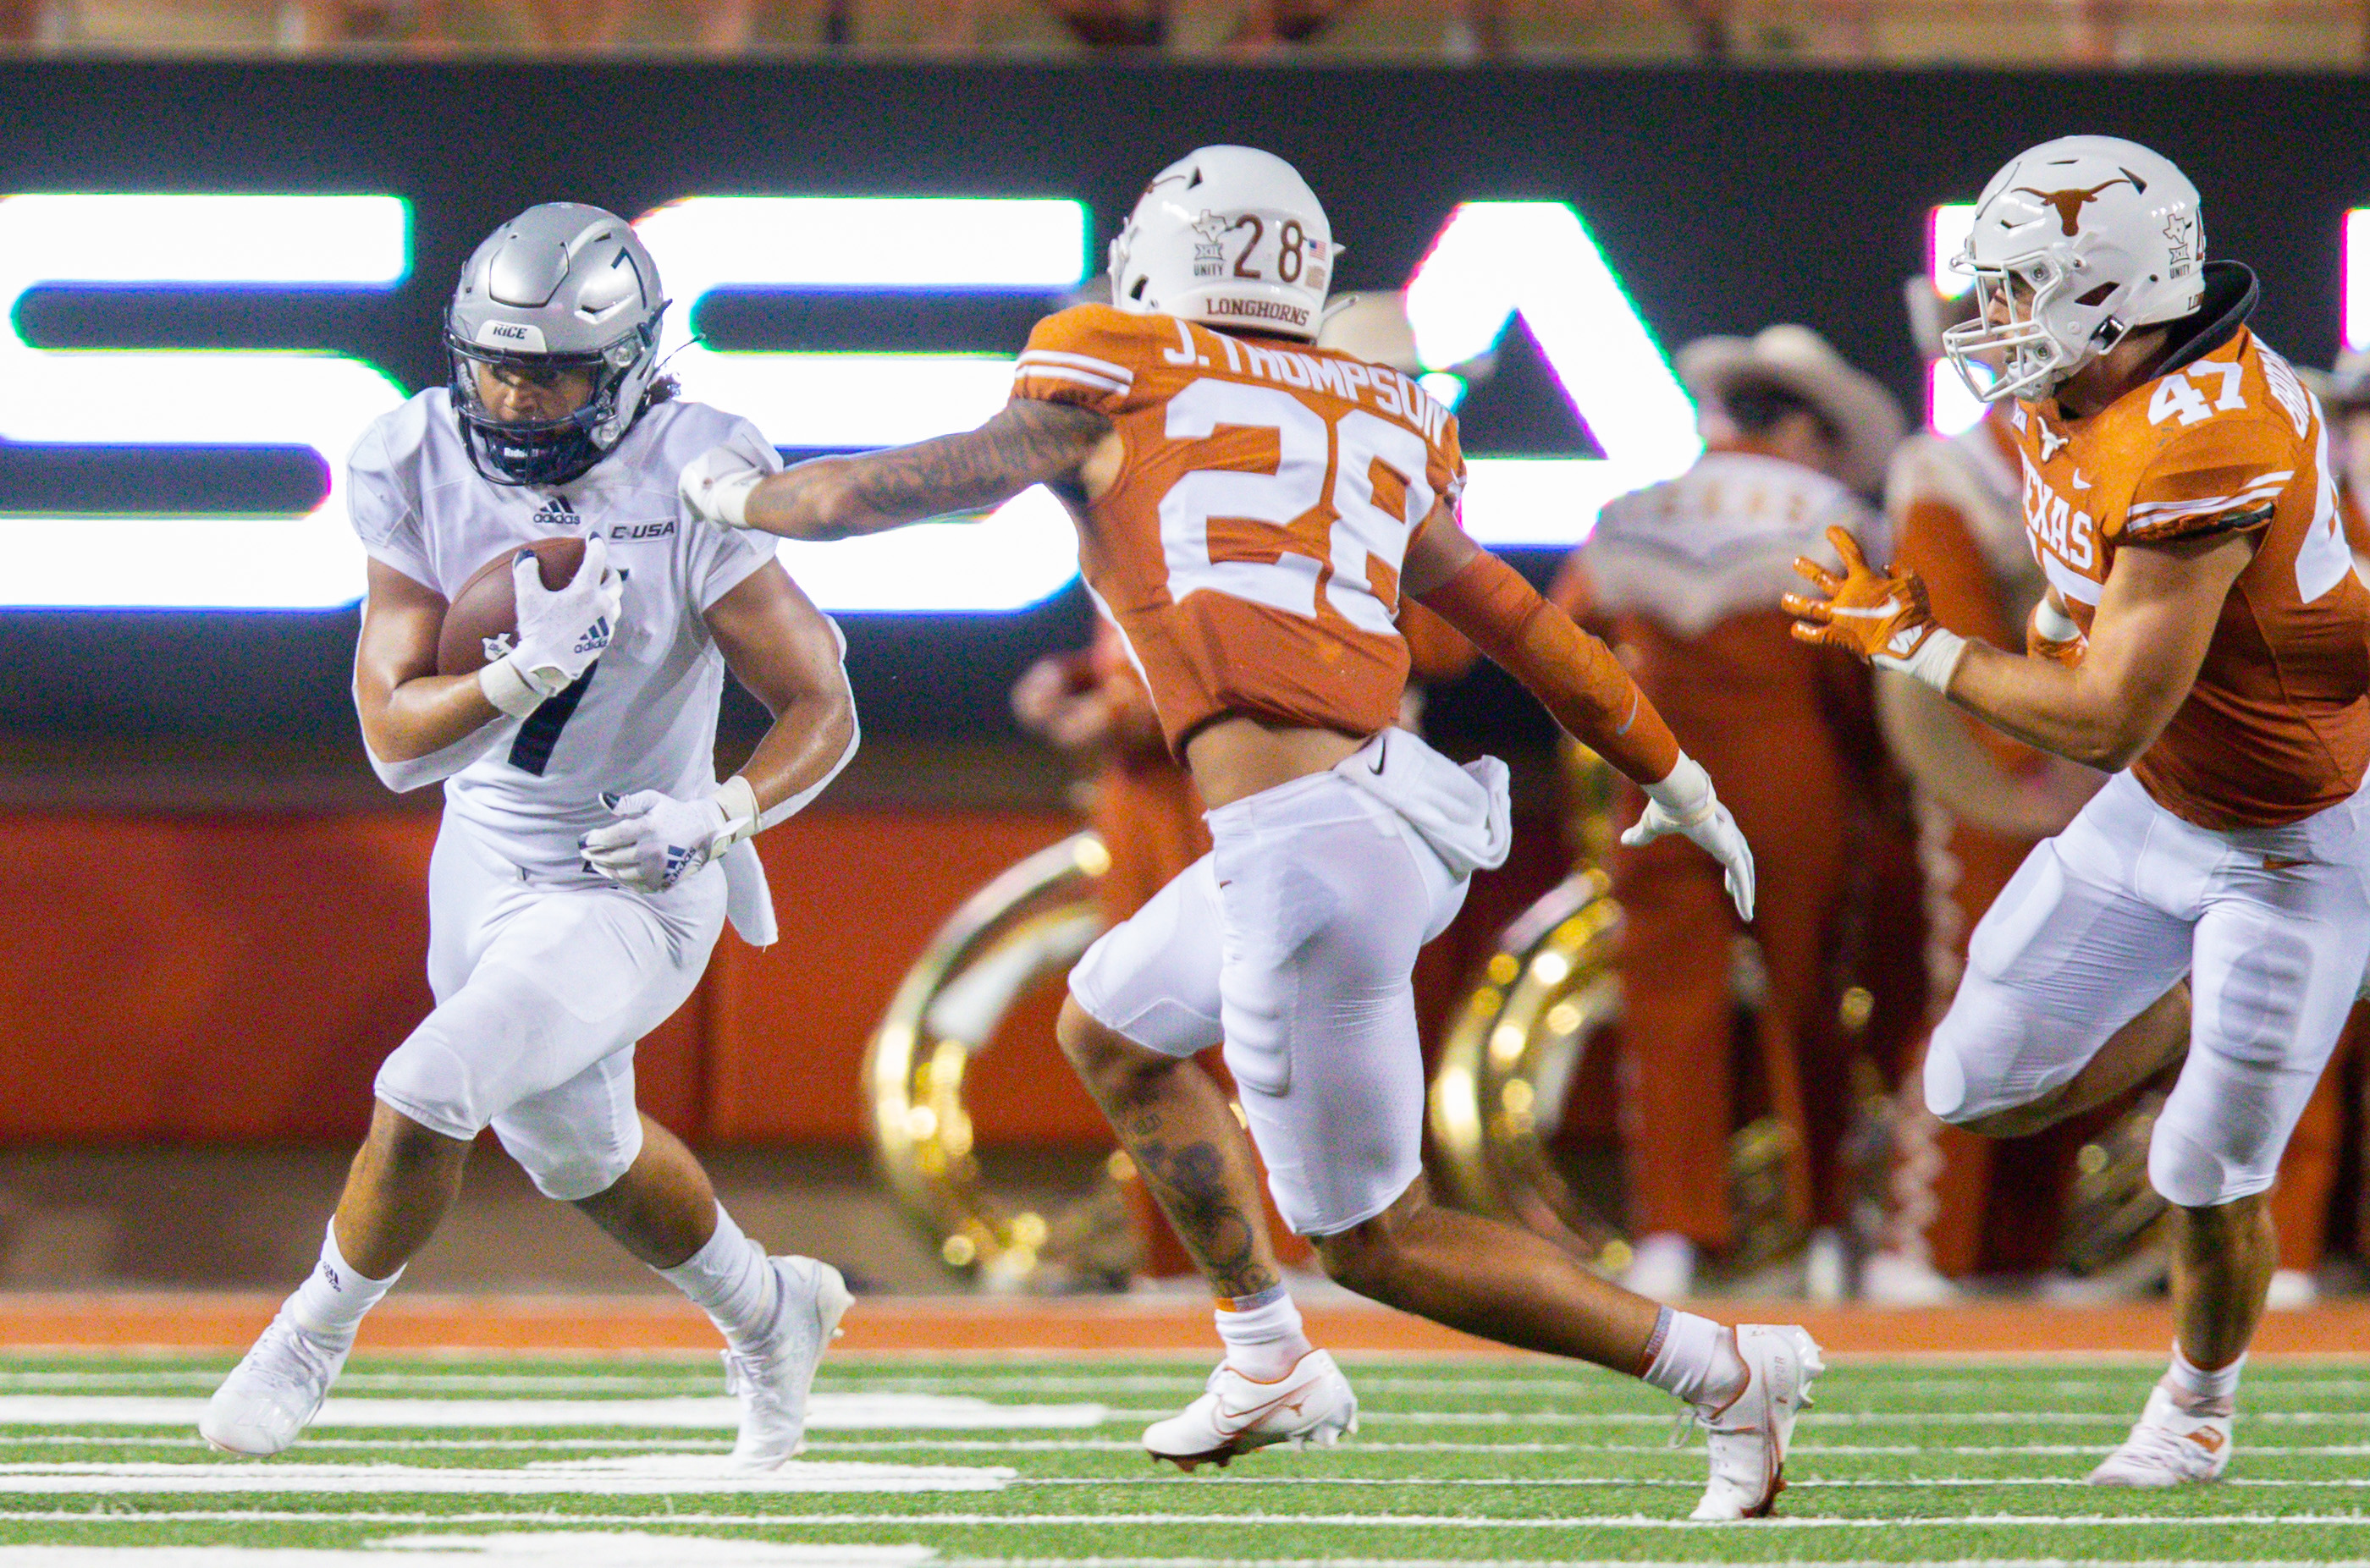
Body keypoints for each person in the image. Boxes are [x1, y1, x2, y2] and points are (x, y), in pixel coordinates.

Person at [682, 144, 1815, 1521]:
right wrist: (1675, 769)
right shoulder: (1380, 402)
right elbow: (1521, 624)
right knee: (1109, 1020)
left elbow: (902, 490)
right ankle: (1266, 1353)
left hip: (1297, 848)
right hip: (1376, 807)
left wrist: (738, 497)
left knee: (1379, 1238)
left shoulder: (1121, 361)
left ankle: (1722, 1371)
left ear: (1169, 258)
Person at [201, 204, 862, 1468]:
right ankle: (773, 1311)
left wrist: (719, 815)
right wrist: (517, 679)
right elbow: (397, 745)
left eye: (554, 368)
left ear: (630, 366)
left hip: (636, 871)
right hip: (484, 853)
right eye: (496, 361)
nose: (516, 393)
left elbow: (823, 703)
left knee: (426, 1083)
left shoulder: (697, 464)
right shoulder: (412, 457)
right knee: (584, 1158)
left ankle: (306, 1343)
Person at [1786, 135, 2370, 1487]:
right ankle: (2198, 1004)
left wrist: (1916, 645)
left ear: (2109, 294)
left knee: (2203, 1165)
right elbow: (2084, 616)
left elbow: (2112, 715)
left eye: (2015, 290)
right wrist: (2043, 627)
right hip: (2169, 811)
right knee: (1972, 1088)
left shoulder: (2200, 438)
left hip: (2293, 834)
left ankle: (2198, 1408)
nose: (1986, 324)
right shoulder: (2094, 392)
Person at [1551, 326, 1910, 1301]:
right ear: (1800, 426)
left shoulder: (1634, 508)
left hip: (1661, 775)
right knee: (1812, 1000)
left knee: (1667, 1004)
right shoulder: (1832, 512)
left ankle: (1671, 1229)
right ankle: (1828, 1228)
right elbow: (1862, 673)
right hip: (1791, 771)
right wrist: (1881, 783)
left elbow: (1561, 639)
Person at [1863, 282, 2108, 1303]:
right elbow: (1947, 627)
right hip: (1997, 771)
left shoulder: (2098, 457)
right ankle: (1926, 1243)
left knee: (2076, 1003)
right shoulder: (1947, 466)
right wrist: (2032, 754)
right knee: (1983, 985)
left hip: (2094, 760)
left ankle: (2017, 1244)